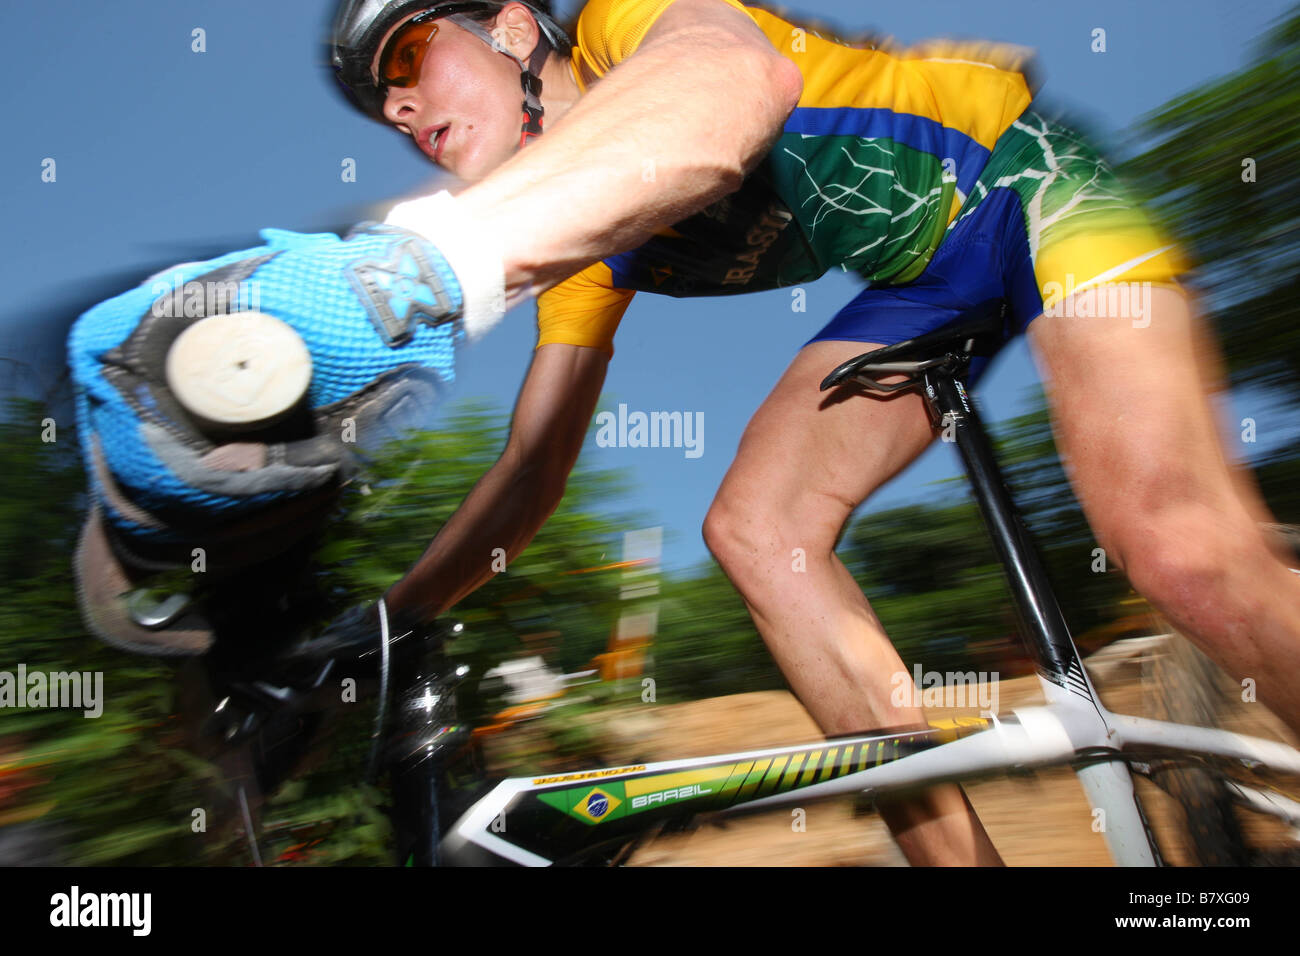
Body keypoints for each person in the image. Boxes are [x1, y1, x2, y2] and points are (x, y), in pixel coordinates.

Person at [326, 0, 1300, 865]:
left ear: (510, 26)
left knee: (1174, 544)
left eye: (406, 58)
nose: (400, 109)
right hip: (928, 280)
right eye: (384, 107)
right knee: (755, 529)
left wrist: (445, 250)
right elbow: (531, 472)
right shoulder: (589, 254)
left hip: (1028, 178)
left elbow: (726, 90)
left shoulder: (628, 23)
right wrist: (388, 618)